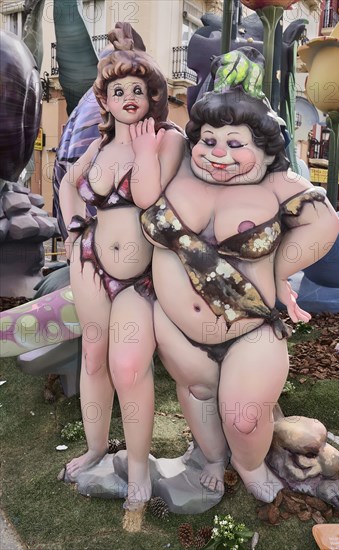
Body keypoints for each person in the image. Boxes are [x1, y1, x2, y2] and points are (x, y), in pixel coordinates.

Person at [133, 48, 339, 503]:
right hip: (177, 328)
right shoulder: (179, 168)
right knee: (199, 393)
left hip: (250, 328)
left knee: (244, 416)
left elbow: (326, 224)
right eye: (209, 140)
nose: (217, 154)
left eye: (234, 143)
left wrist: (277, 270)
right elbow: (142, 193)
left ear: (265, 153)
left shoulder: (276, 186)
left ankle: (249, 465)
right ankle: (210, 457)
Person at [59, 22, 184, 509]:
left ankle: (137, 467)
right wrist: (73, 228)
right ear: (104, 100)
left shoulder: (167, 140)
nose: (128, 96)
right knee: (93, 358)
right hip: (88, 260)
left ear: (153, 94)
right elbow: (70, 183)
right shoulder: (98, 145)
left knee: (128, 366)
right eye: (117, 90)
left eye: (138, 88)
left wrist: (147, 151)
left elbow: (149, 196)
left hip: (140, 276)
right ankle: (94, 449)